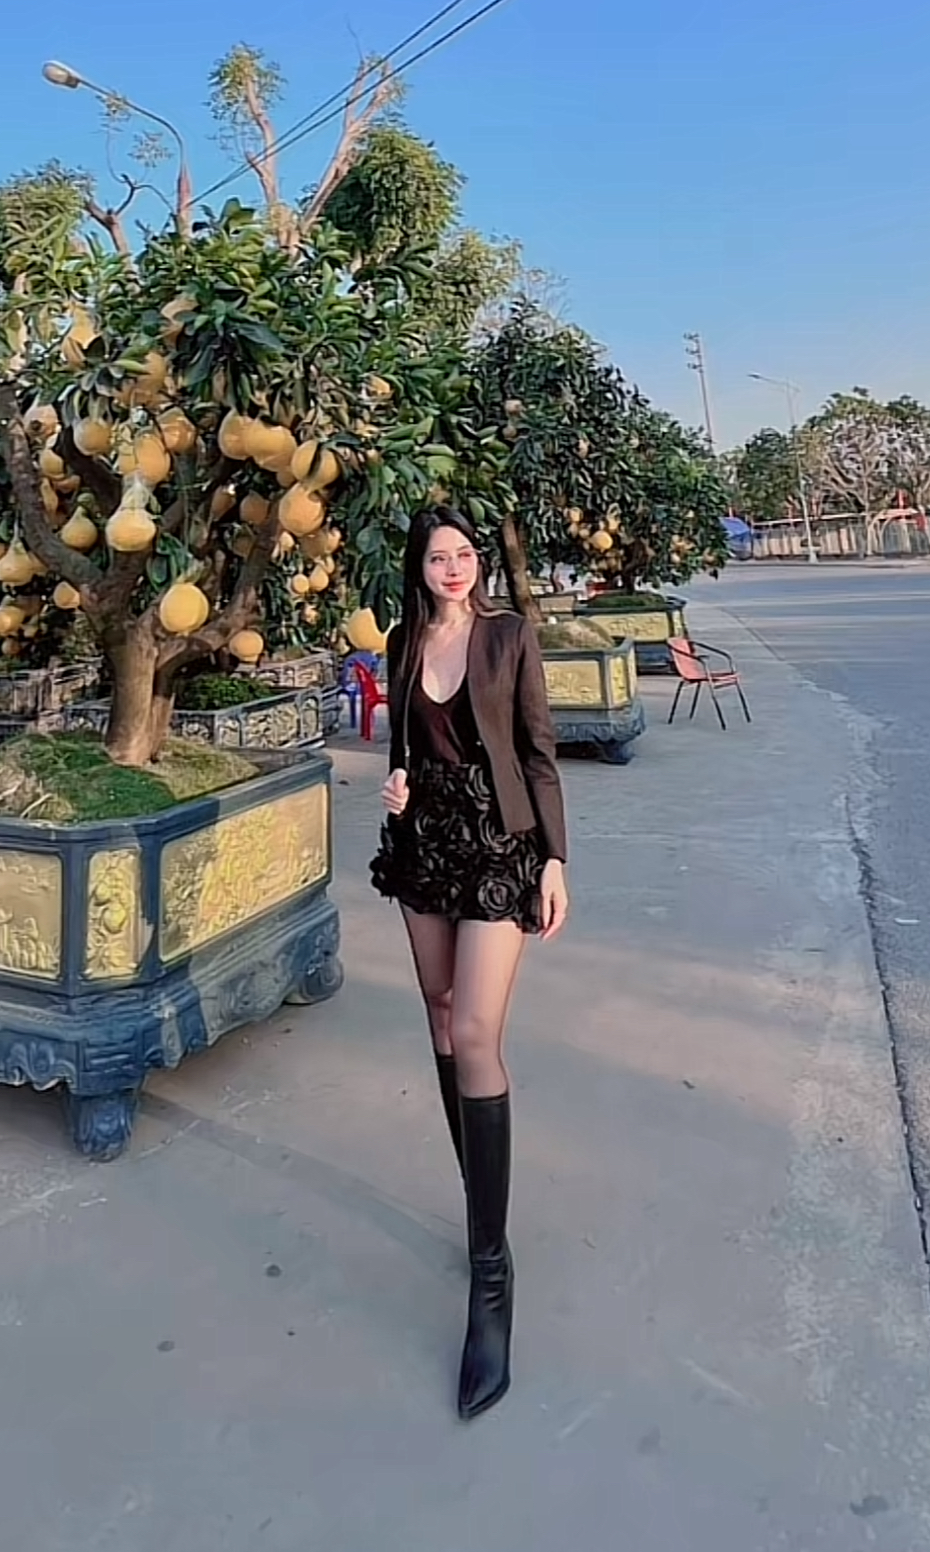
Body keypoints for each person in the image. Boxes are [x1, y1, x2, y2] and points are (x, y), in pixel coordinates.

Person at [370, 505, 569, 1420]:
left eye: (464, 554)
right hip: (424, 841)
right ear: (418, 567)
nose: (453, 567)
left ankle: (491, 1272)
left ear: (478, 562)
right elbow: (402, 745)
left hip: (498, 843)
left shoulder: (509, 635)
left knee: (480, 1032)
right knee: (442, 1016)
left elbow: (538, 749)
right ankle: (477, 1200)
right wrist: (397, 783)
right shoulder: (404, 639)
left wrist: (555, 858)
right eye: (437, 556)